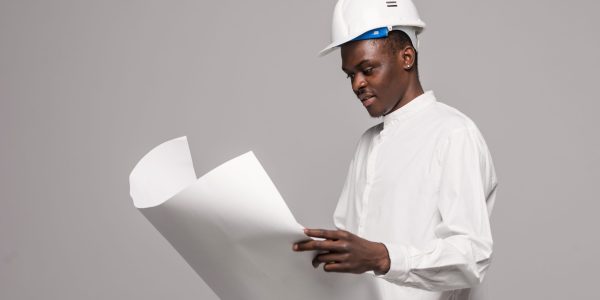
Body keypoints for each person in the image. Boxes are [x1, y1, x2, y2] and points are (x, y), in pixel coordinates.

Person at [292, 0, 498, 299]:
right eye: (350, 74)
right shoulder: (368, 143)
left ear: (406, 57)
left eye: (367, 69)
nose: (357, 84)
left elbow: (471, 257)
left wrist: (383, 257)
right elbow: (349, 249)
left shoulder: (454, 133)